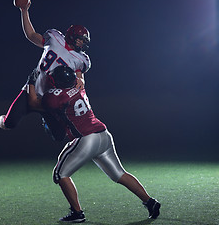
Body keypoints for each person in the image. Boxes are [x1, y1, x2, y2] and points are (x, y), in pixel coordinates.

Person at [39, 66, 161, 223]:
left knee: (60, 174)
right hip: (104, 135)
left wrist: (32, 83)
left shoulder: (56, 97)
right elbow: (79, 71)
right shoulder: (79, 85)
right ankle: (150, 202)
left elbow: (39, 102)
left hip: (87, 138)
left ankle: (77, 213)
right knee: (119, 174)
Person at [0, 0, 91, 137]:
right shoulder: (55, 38)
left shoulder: (81, 58)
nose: (82, 43)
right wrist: (24, 11)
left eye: (84, 41)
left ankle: (45, 119)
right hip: (32, 88)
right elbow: (31, 35)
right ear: (71, 36)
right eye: (80, 39)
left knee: (59, 135)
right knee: (9, 123)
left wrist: (81, 81)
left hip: (52, 98)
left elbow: (79, 74)